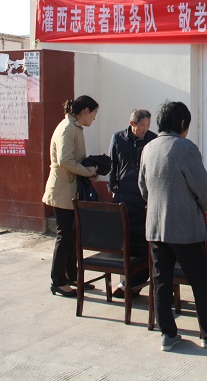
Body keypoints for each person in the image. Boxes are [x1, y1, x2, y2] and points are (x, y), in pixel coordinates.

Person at [138, 100, 207, 351]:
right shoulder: (185, 148)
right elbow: (202, 187)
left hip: (156, 226)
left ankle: (168, 334)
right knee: (200, 281)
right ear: (183, 123)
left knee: (161, 281)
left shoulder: (148, 148)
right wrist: (206, 207)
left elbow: (143, 187)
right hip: (185, 227)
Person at [42, 95, 99, 298]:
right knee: (64, 235)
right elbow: (65, 160)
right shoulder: (68, 128)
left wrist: (89, 170)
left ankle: (71, 276)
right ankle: (58, 281)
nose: (94, 118)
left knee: (72, 235)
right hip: (62, 190)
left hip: (70, 189)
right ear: (85, 111)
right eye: (94, 114)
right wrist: (88, 171)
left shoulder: (74, 127)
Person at [108, 108, 157, 298]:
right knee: (125, 239)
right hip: (123, 195)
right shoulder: (118, 138)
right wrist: (112, 187)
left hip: (143, 195)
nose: (145, 129)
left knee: (140, 240)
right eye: (142, 125)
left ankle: (131, 284)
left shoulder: (152, 140)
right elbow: (113, 164)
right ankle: (127, 282)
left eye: (147, 125)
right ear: (132, 124)